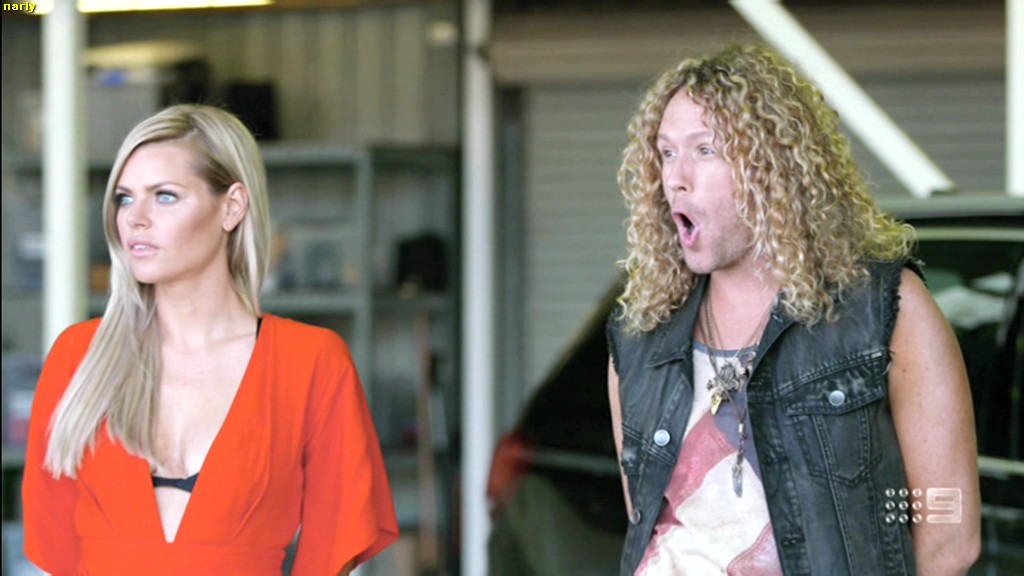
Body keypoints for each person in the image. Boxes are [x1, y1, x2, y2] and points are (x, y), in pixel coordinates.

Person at [606, 44, 981, 575]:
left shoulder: (882, 311)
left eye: (705, 150)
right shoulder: (641, 336)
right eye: (666, 153)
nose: (676, 178)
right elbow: (650, 524)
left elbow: (949, 532)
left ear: (772, 167)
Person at [22, 104, 399, 575]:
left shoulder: (310, 362)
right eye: (124, 198)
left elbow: (335, 541)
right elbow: (54, 539)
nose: (135, 218)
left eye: (164, 196)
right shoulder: (80, 357)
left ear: (232, 207)